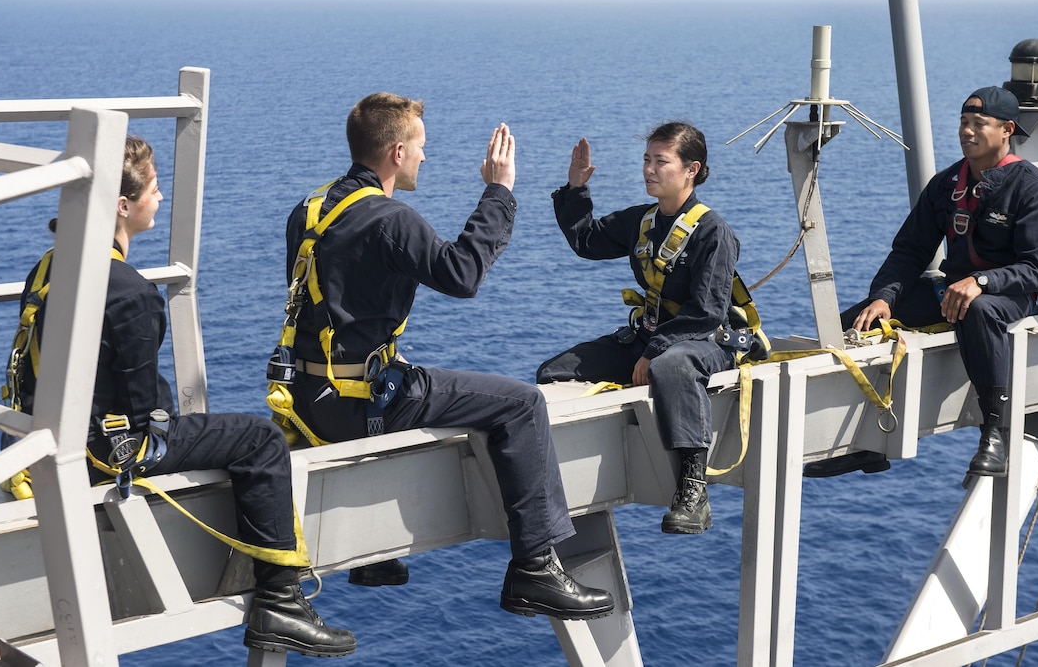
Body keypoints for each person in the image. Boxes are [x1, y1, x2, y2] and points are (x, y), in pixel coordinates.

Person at [7, 136, 356, 658]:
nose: (161, 197)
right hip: (105, 455)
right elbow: (142, 408)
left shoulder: (49, 266)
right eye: (153, 188)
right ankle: (281, 602)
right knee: (259, 439)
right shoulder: (128, 292)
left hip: (47, 449)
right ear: (123, 207)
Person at [279, 92, 614, 621]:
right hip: (360, 405)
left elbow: (339, 307)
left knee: (396, 369)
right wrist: (499, 191)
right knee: (522, 405)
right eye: (419, 147)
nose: (423, 157)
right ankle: (534, 569)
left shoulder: (311, 209)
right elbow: (462, 275)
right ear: (395, 151)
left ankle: (377, 556)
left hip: (304, 399)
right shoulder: (390, 219)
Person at [803, 86, 1038, 479]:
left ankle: (995, 431)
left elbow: (1034, 269)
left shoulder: (1033, 190)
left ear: (1008, 129)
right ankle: (864, 445)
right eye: (963, 123)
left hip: (1011, 294)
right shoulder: (947, 185)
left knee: (979, 310)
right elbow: (910, 250)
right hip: (954, 290)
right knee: (853, 321)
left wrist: (981, 281)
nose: (967, 132)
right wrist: (885, 298)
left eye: (979, 124)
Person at [536, 123, 741, 535]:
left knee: (674, 366)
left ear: (691, 169)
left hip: (702, 342)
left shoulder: (713, 232)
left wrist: (655, 350)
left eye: (660, 161)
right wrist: (576, 190)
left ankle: (693, 489)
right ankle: (564, 479)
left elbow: (706, 312)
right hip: (650, 338)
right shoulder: (643, 222)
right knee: (554, 371)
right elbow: (588, 241)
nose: (649, 169)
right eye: (647, 160)